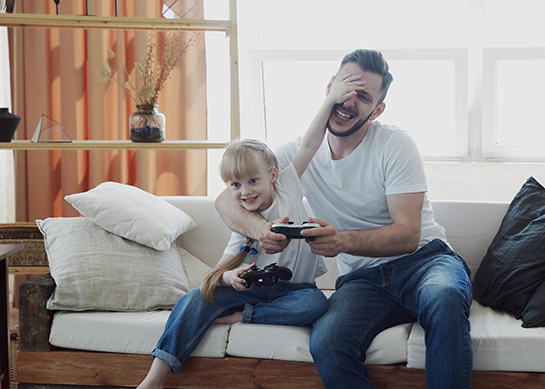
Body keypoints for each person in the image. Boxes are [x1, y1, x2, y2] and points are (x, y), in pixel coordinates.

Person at [214, 49, 473, 389]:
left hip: (425, 262)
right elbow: (223, 201)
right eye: (344, 88)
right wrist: (260, 228)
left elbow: (408, 235)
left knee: (444, 298)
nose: (349, 102)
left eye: (363, 96)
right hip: (364, 281)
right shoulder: (297, 152)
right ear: (329, 88)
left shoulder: (395, 144)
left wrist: (342, 241)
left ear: (377, 109)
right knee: (327, 342)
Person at [137, 72, 367, 389]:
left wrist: (330, 99)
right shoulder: (244, 221)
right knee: (193, 298)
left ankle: (239, 315)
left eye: (253, 181)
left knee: (315, 306)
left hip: (295, 290)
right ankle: (154, 378)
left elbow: (312, 142)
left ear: (272, 175)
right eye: (235, 185)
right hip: (255, 290)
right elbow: (220, 271)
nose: (245, 192)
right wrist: (232, 277)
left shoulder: (287, 184)